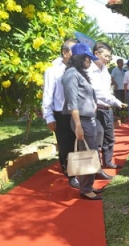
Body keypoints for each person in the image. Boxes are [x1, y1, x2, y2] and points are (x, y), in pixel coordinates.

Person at [61, 43, 104, 200]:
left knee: (91, 152)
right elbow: (72, 103)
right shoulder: (71, 75)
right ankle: (85, 189)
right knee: (89, 153)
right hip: (82, 121)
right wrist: (78, 125)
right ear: (80, 58)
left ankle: (88, 186)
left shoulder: (78, 73)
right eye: (87, 58)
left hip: (88, 119)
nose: (89, 62)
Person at [42, 38, 80, 189]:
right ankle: (71, 175)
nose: (77, 53)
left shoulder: (78, 68)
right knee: (66, 145)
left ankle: (81, 169)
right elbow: (47, 94)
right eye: (73, 50)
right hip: (61, 114)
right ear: (65, 52)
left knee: (79, 143)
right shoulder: (52, 70)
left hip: (77, 111)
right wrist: (49, 116)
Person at [88, 42, 128, 169]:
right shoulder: (89, 70)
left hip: (107, 108)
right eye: (106, 56)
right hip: (96, 110)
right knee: (97, 140)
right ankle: (96, 167)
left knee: (109, 138)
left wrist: (114, 102)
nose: (108, 59)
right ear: (96, 54)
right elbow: (98, 92)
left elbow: (107, 90)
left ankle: (108, 162)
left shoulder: (105, 70)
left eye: (109, 56)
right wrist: (116, 102)